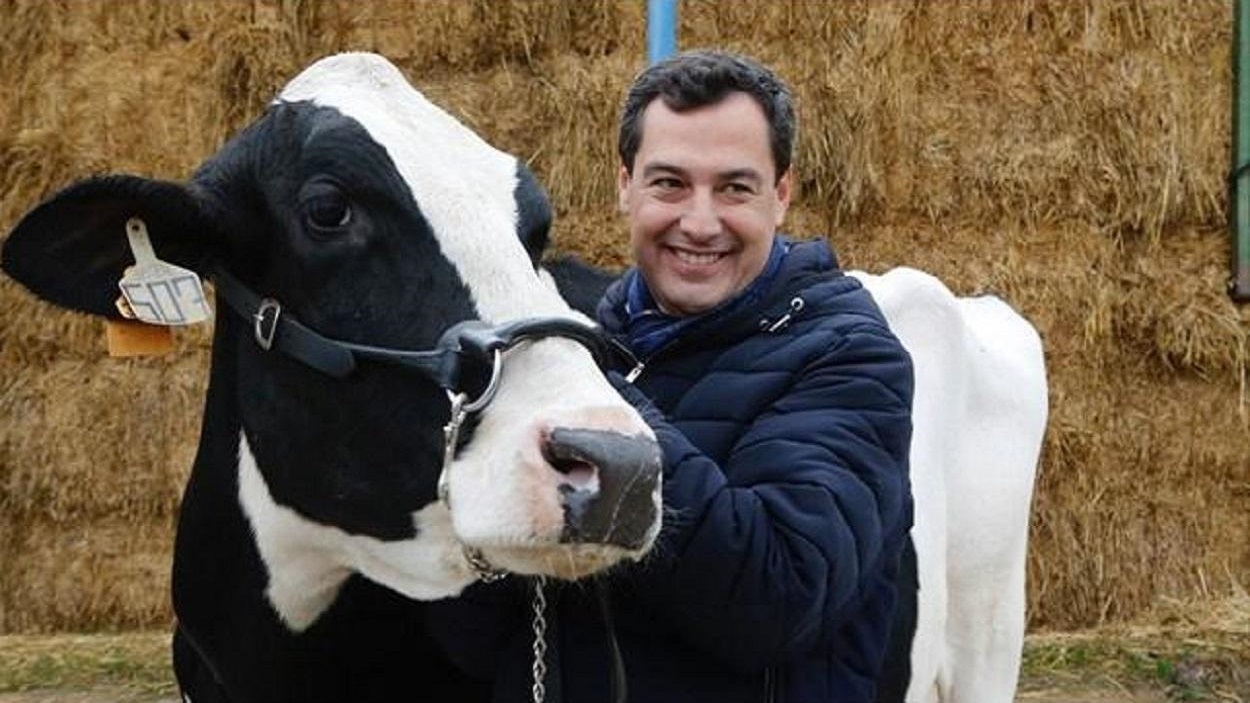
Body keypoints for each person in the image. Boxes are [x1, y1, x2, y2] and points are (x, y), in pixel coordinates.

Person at [430, 49, 915, 703]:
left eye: (734, 188)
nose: (699, 221)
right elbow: (485, 640)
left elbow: (773, 598)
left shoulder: (848, 357)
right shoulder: (584, 348)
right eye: (670, 183)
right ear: (625, 185)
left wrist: (592, 401)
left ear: (782, 194)